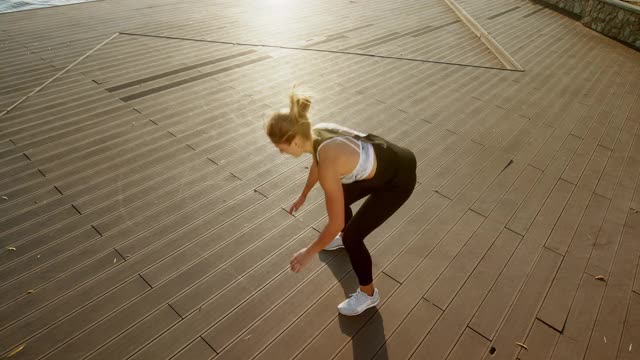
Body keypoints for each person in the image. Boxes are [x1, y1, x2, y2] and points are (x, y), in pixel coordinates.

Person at [265, 87, 417, 316]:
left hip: (398, 179)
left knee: (354, 238)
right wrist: (304, 194)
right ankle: (344, 238)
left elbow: (333, 220)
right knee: (341, 198)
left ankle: (368, 294)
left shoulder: (329, 161)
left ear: (295, 141)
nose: (280, 152)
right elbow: (316, 164)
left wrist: (309, 252)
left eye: (280, 147)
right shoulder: (317, 132)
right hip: (387, 160)